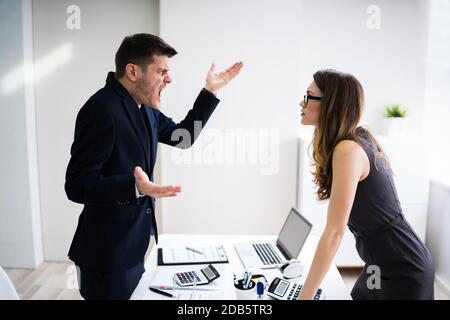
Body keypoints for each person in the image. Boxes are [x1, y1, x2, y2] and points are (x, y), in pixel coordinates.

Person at [65, 33, 243, 300]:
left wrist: (209, 93)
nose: (168, 79)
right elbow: (77, 185)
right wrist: (132, 187)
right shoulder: (101, 109)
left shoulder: (146, 108)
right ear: (133, 71)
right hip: (106, 256)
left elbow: (184, 137)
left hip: (135, 247)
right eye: (161, 71)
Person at [297, 69, 434, 300]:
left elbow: (334, 233)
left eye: (309, 96)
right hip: (379, 265)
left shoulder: (348, 150)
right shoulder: (357, 137)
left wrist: (305, 296)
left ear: (330, 105)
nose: (302, 102)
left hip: (404, 270)